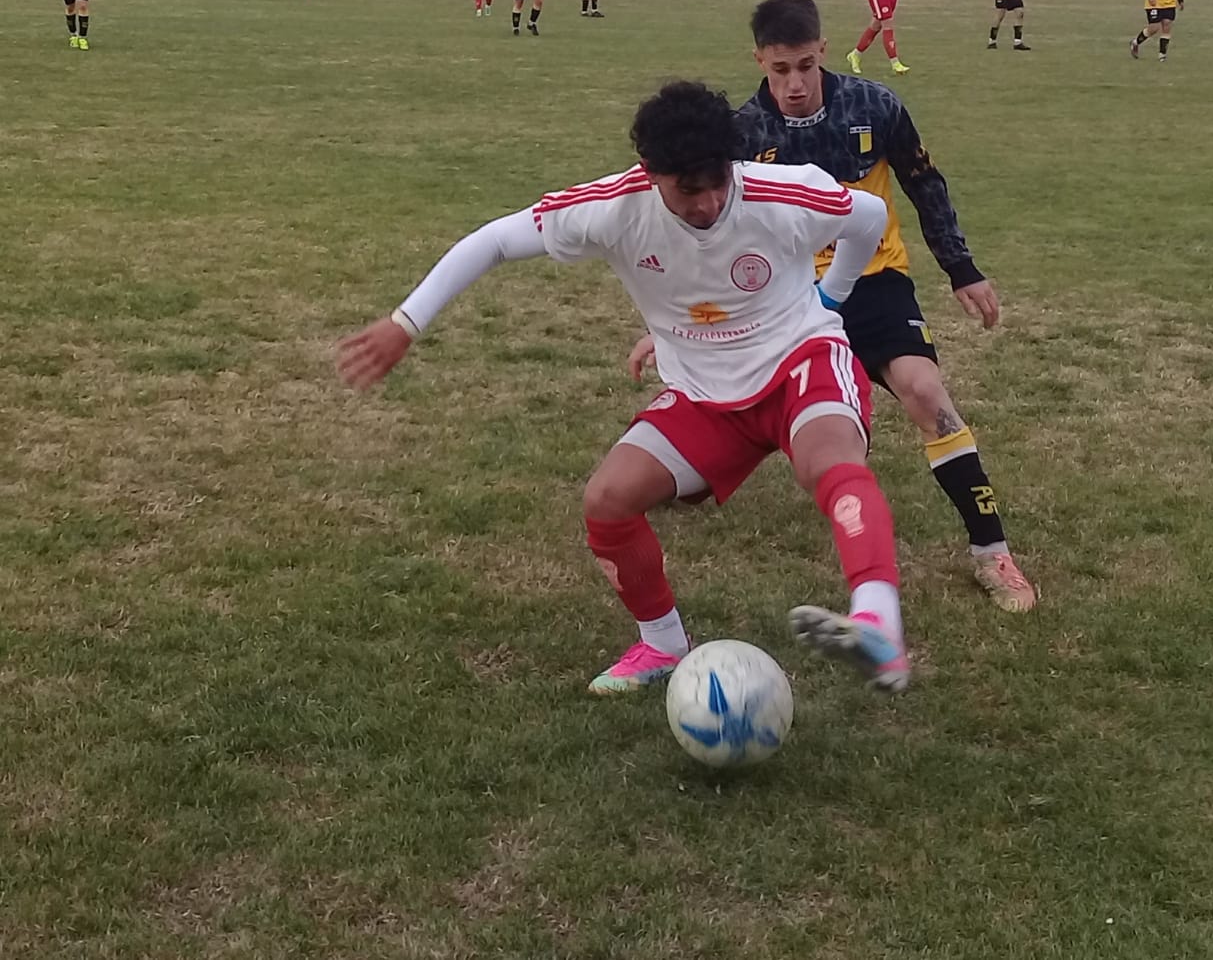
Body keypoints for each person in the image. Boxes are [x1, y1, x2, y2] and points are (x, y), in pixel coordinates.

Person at [336, 80, 911, 695]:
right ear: (650, 174)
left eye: (717, 181)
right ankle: (662, 646)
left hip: (800, 360)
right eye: (686, 190)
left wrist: (831, 298)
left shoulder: (780, 192)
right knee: (607, 500)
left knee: (827, 463)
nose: (708, 202)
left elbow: (869, 219)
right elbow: (497, 240)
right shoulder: (613, 208)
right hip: (702, 394)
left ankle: (878, 623)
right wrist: (404, 323)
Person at [720, 0, 1036, 612]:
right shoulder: (742, 134)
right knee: (732, 413)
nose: (794, 84)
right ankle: (680, 477)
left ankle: (991, 552)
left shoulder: (874, 105)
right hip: (787, 299)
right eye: (780, 70)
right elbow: (713, 233)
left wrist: (961, 269)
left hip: (874, 282)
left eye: (806, 66)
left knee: (925, 392)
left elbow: (924, 183)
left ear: (823, 51)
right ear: (759, 59)